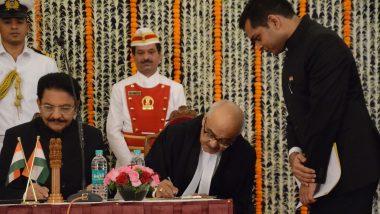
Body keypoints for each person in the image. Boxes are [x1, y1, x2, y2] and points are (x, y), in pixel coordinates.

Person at [239, 0, 380, 213]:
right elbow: (295, 113)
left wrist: (312, 174)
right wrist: (294, 154)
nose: (258, 47)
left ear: (274, 21)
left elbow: (326, 114)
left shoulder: (323, 44)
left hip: (350, 171)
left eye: (257, 38)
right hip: (325, 170)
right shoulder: (294, 52)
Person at [0, 72, 103, 201]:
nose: (56, 115)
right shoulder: (17, 136)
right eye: (48, 107)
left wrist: (100, 189)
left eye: (65, 108)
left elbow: (110, 186)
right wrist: (23, 194)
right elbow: (2, 189)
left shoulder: (92, 136)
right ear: (38, 103)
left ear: (76, 106)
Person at [145, 100, 255, 214]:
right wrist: (158, 187)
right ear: (204, 119)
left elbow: (243, 204)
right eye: (210, 134)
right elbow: (147, 175)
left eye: (224, 142)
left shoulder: (244, 154)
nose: (213, 144)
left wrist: (215, 206)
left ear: (235, 137)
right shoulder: (175, 135)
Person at [107, 27, 186, 167]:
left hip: (165, 162)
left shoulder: (175, 89)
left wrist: (165, 161)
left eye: (151, 52)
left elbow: (180, 131)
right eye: (140, 53)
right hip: (128, 163)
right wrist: (132, 165)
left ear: (160, 55)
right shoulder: (119, 88)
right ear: (133, 56)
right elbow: (113, 131)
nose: (146, 57)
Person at [0, 0, 59, 154]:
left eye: (19, 21)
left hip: (36, 145)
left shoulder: (45, 64)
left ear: (27, 26)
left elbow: (56, 105)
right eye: (7, 22)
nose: (14, 26)